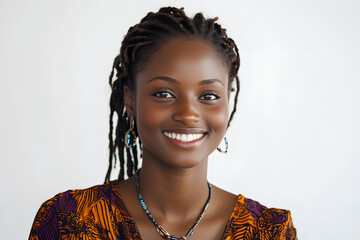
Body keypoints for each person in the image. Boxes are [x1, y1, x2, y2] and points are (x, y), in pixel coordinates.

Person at [29, 7, 297, 240]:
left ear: (227, 101)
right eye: (164, 94)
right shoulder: (68, 221)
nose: (188, 113)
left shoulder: (269, 231)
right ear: (131, 101)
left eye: (208, 96)